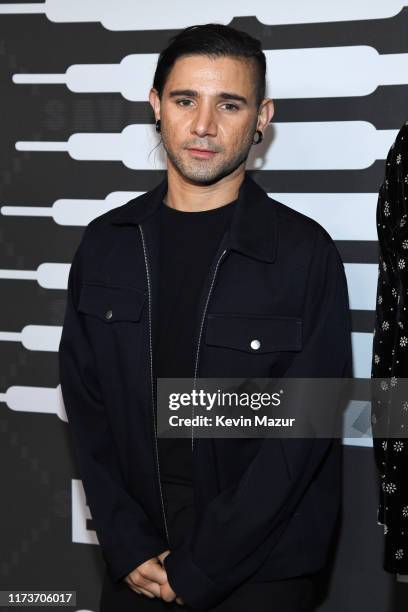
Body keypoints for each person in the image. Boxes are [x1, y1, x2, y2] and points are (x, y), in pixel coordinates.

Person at [58, 23, 352, 611]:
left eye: (230, 104)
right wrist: (127, 541)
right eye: (185, 99)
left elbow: (305, 430)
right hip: (137, 562)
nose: (203, 126)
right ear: (155, 106)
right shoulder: (106, 244)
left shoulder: (304, 253)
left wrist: (204, 564)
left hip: (261, 571)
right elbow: (87, 408)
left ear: (262, 116)